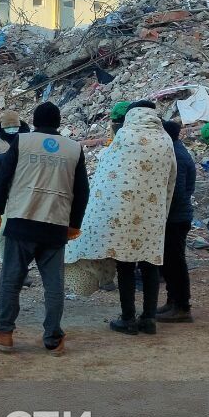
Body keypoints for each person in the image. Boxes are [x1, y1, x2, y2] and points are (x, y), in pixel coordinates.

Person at [0, 101, 89, 354]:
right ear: (59, 123)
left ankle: (4, 333)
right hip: (55, 226)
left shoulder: (22, 142)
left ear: (33, 121)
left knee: (11, 280)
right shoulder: (74, 148)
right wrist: (74, 225)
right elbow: (81, 191)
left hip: (22, 221)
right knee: (54, 285)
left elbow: (3, 179)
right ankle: (53, 338)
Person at [67, 105, 177, 335]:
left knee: (126, 266)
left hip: (124, 216)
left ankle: (128, 318)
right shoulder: (165, 139)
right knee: (150, 266)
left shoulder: (125, 136)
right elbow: (171, 178)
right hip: (153, 217)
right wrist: (162, 211)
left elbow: (108, 171)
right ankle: (148, 319)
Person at [157, 118, 196, 323]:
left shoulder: (176, 155)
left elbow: (178, 193)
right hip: (176, 217)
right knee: (170, 262)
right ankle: (173, 301)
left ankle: (182, 306)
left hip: (175, 218)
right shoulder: (176, 150)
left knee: (175, 262)